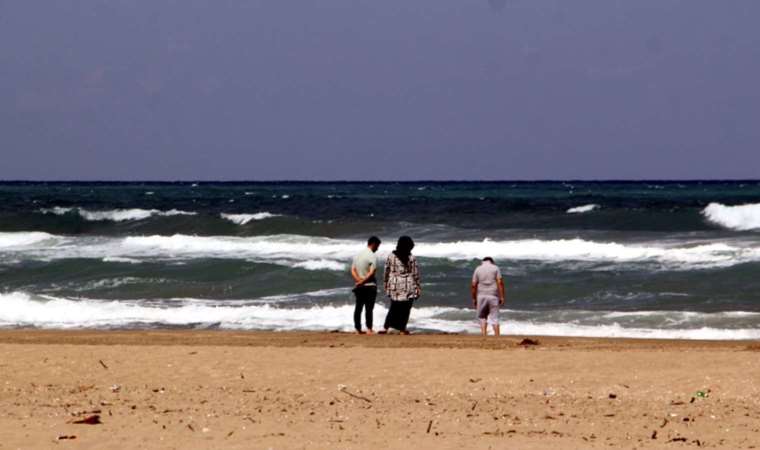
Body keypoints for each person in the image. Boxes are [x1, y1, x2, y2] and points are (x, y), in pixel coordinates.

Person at [380, 236, 421, 335]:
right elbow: (415, 274)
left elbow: (386, 271)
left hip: (394, 284)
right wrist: (418, 287)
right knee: (406, 308)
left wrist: (385, 283)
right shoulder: (411, 258)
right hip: (408, 285)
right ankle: (401, 328)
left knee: (394, 306)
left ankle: (386, 327)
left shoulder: (391, 256)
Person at [351, 236, 381, 334]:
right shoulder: (372, 255)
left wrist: (358, 280)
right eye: (377, 246)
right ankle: (369, 329)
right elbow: (372, 272)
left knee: (358, 307)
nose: (378, 248)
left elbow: (353, 270)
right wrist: (363, 281)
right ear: (373, 244)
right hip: (369, 285)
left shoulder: (358, 255)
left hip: (359, 285)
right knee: (369, 308)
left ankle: (357, 329)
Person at [471, 257, 505, 336]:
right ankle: (497, 336)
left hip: (481, 296)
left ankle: (484, 335)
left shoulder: (478, 269)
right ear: (492, 262)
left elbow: (473, 285)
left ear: (482, 262)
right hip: (493, 295)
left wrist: (473, 298)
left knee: (482, 317)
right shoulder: (495, 268)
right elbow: (500, 282)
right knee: (495, 318)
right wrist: (502, 297)